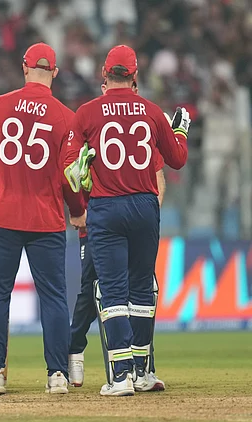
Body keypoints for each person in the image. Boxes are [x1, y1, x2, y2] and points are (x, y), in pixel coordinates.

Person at [64, 44, 188, 396]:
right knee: (142, 288)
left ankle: (120, 377)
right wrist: (180, 131)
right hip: (146, 205)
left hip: (106, 207)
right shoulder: (151, 111)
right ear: (134, 76)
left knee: (113, 291)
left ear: (105, 75)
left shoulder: (87, 113)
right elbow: (177, 159)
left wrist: (85, 173)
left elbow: (70, 171)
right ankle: (142, 371)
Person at [0, 43, 86, 396]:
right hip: (45, 218)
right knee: (53, 297)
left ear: (24, 67)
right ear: (55, 71)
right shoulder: (66, 116)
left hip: (1, 216)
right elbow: (70, 175)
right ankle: (57, 375)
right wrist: (77, 210)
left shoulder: (0, 105)